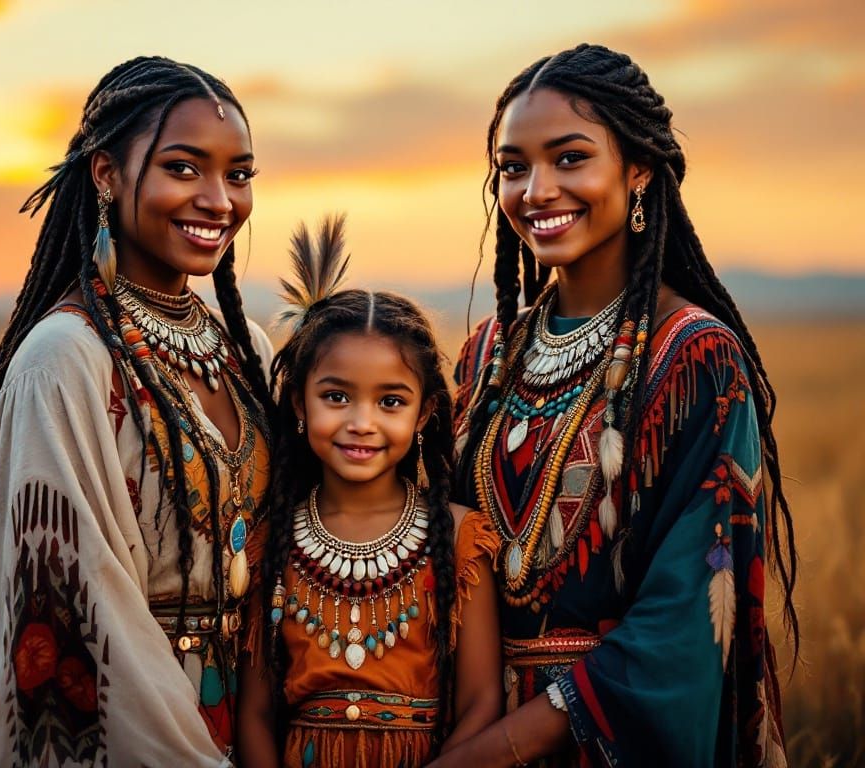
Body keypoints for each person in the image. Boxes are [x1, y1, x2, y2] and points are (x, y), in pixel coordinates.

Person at [438, 44, 796, 767]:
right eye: (513, 167)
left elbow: (684, 621)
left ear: (638, 169)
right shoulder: (486, 356)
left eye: (570, 158)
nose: (536, 190)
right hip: (466, 721)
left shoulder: (694, 357)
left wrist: (492, 753)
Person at [0, 57, 275, 767]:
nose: (219, 200)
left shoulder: (246, 349)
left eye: (239, 174)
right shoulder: (65, 360)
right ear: (106, 174)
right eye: (183, 168)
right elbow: (72, 609)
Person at [237, 217, 503, 767]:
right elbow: (255, 715)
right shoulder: (272, 545)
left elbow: (482, 702)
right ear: (299, 403)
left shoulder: (460, 540)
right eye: (336, 397)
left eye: (390, 402)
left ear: (425, 414)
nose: (362, 423)